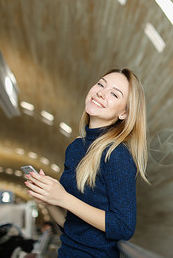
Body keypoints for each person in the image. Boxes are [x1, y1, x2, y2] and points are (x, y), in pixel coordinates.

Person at [24, 68, 149, 257]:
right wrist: (49, 201)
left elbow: (123, 227)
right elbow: (73, 228)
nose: (101, 92)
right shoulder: (75, 148)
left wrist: (64, 198)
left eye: (114, 94)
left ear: (124, 113)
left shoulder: (117, 154)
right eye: (100, 84)